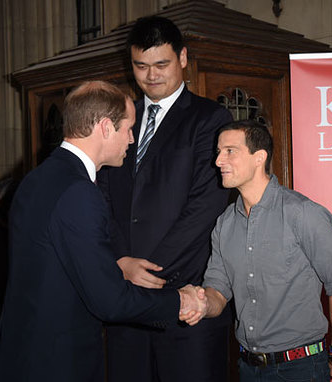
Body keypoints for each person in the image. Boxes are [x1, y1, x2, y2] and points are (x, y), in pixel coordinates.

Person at [0, 81, 207, 382]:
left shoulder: (36, 178)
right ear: (106, 127)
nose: (132, 139)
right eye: (128, 129)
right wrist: (180, 301)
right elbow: (110, 300)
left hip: (23, 353)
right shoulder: (79, 191)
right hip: (58, 363)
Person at [96, 16, 233, 382]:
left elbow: (206, 205)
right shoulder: (118, 118)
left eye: (162, 64)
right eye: (141, 66)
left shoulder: (211, 118)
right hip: (125, 302)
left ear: (183, 58)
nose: (151, 75)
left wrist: (149, 269)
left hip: (185, 300)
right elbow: (102, 197)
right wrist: (122, 260)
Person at [181, 120, 332, 381]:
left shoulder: (303, 213)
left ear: (258, 157)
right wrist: (199, 303)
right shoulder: (225, 223)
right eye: (218, 152)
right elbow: (218, 289)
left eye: (230, 151)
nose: (218, 161)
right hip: (248, 368)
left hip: (301, 368)